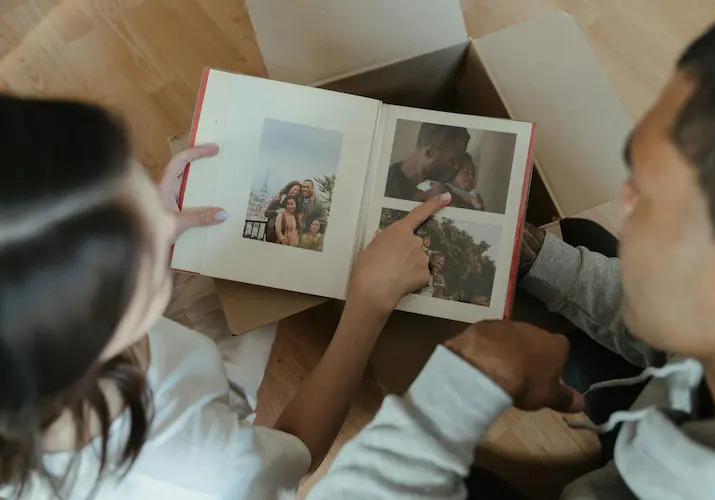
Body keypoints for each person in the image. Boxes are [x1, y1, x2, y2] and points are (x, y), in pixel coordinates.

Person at [307, 5, 715, 499]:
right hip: (660, 408)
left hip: (634, 456)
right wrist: (536, 254)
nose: (624, 199)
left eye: (645, 195)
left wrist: (463, 384)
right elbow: (677, 333)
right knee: (580, 236)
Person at [0, 94, 454, 499]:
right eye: (137, 242)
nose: (164, 219)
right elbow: (296, 451)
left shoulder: (37, 352)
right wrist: (367, 308)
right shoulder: (206, 476)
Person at [385, 123, 470, 201]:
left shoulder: (436, 191)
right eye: (453, 160)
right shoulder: (384, 188)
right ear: (430, 152)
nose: (456, 167)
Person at [417, 153, 486, 211]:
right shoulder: (436, 186)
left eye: (472, 175)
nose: (470, 177)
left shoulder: (472, 198)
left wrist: (479, 207)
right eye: (466, 171)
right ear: (454, 169)